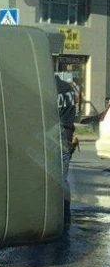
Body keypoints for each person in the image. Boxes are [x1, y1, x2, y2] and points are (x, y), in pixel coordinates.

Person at [56, 74, 77, 234]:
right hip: (67, 136)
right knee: (62, 179)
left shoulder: (49, 88)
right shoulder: (68, 88)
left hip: (51, 135)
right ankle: (65, 218)